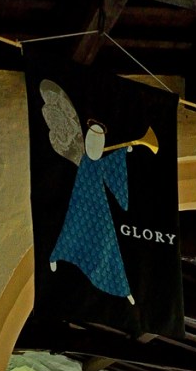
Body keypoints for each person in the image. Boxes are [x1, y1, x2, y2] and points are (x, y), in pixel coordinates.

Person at [50, 120, 135, 304]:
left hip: (99, 209)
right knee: (71, 231)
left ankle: (123, 289)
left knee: (108, 243)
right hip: (80, 204)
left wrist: (123, 152)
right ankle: (55, 258)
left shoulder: (100, 164)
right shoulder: (81, 158)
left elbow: (112, 165)